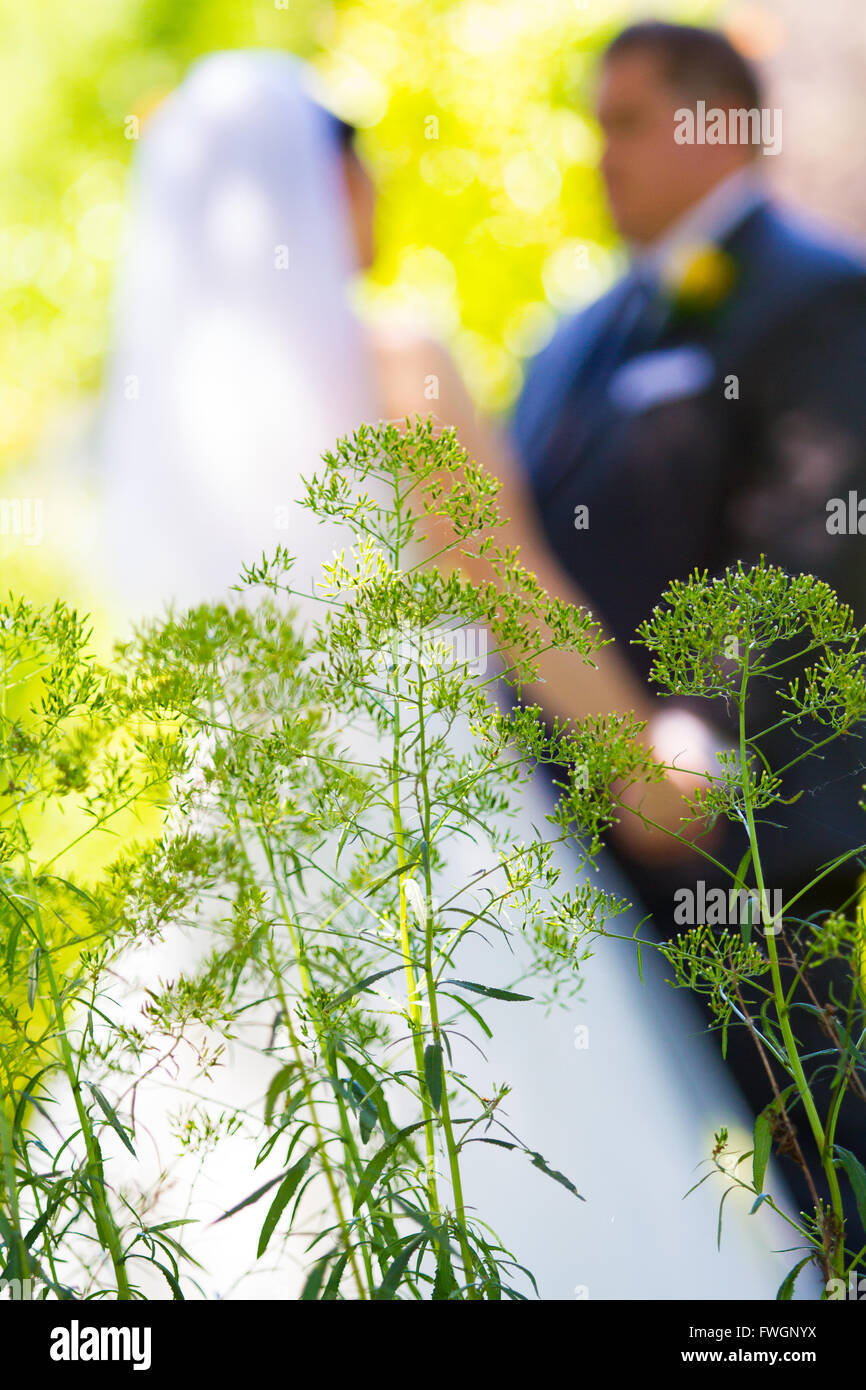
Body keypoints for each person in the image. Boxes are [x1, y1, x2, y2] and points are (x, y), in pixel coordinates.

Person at [96, 49, 799, 1297]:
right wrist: (647, 780)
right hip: (435, 819)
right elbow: (514, 595)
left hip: (244, 826)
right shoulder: (392, 355)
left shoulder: (175, 399)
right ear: (329, 192)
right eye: (361, 173)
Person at [512, 19, 866, 1231]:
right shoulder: (574, 338)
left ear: (725, 124)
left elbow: (817, 551)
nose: (599, 153)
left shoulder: (818, 300)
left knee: (815, 1204)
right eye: (593, 124)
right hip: (595, 863)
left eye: (627, 121)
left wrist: (691, 763)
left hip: (761, 868)